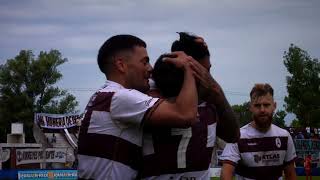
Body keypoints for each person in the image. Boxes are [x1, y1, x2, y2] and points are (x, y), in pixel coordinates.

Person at [77, 34, 201, 180]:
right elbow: (186, 115)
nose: (150, 68)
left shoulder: (106, 95)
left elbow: (156, 81)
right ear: (121, 65)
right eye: (145, 62)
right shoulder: (121, 98)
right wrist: (188, 66)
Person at [140, 32, 240, 179]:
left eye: (208, 70)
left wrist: (217, 94)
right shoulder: (147, 95)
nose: (207, 77)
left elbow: (233, 135)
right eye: (203, 71)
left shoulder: (211, 99)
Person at [219, 83, 297, 180]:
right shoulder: (238, 136)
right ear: (250, 107)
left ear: (274, 106)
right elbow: (226, 173)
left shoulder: (284, 136)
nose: (262, 110)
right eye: (257, 105)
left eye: (266, 105)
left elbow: (290, 174)